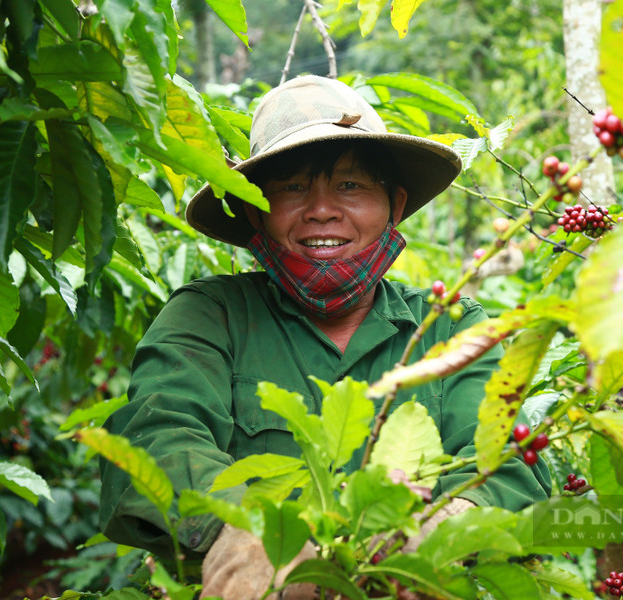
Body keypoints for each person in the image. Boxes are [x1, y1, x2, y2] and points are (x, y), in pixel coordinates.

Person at [98, 75, 551, 599]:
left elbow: (504, 463)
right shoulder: (209, 316)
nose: (321, 210)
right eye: (292, 187)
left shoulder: (451, 327)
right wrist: (244, 530)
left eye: (351, 186)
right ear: (253, 209)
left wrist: (443, 524)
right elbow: (157, 436)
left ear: (395, 205)